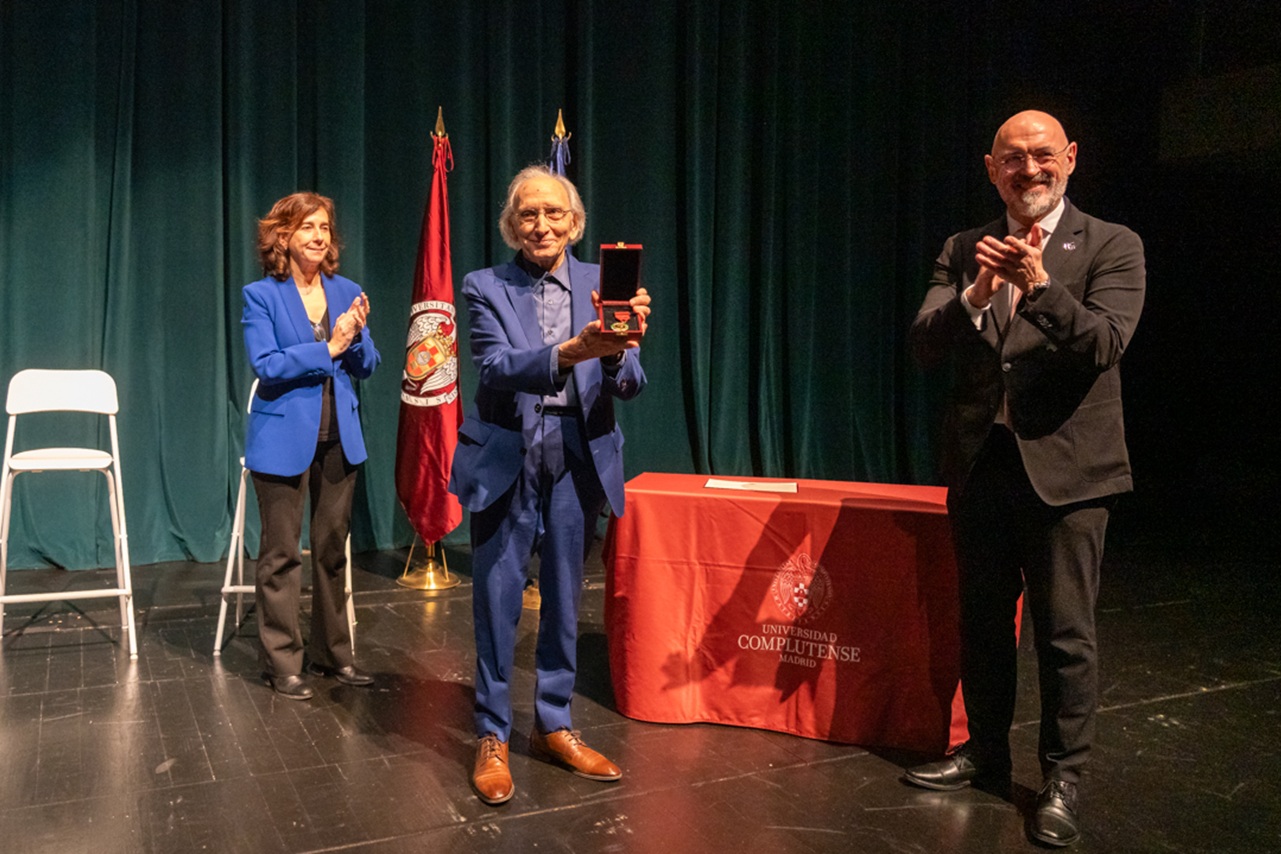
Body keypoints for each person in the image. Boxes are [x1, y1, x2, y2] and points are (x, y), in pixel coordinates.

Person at [905, 111, 1145, 847]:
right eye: (1012, 159)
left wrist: (1038, 285)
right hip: (980, 467)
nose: (1028, 169)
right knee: (981, 624)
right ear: (990, 169)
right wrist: (975, 292)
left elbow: (1105, 343)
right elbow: (922, 344)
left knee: (1064, 636)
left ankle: (1061, 778)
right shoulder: (959, 248)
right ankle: (983, 752)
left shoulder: (1111, 244)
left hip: (1069, 475)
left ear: (1069, 158)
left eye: (1042, 155)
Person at [449, 165, 651, 805]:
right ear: (513, 223)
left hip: (578, 456)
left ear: (574, 223)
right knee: (496, 602)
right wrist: (574, 350)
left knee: (565, 598)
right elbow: (496, 365)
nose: (541, 225)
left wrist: (617, 349)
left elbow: (631, 382)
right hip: (508, 455)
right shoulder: (485, 285)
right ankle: (492, 733)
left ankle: (554, 726)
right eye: (529, 214)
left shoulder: (601, 282)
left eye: (554, 214)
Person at [242, 192, 381, 700]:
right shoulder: (262, 296)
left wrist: (358, 337)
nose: (319, 236)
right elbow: (268, 364)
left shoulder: (347, 290)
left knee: (331, 551)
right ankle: (282, 663)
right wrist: (330, 346)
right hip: (282, 437)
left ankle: (333, 657)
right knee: (281, 555)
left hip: (339, 439)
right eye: (307, 228)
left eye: (324, 226)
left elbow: (368, 365)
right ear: (283, 237)